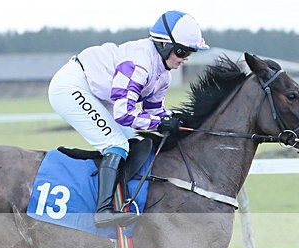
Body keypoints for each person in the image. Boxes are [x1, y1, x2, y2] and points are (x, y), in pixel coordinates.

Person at [48, 10, 208, 227]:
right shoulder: (139, 64)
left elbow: (154, 112)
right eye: (182, 51)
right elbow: (124, 114)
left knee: (134, 143)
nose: (185, 58)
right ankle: (103, 211)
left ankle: (122, 200)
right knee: (116, 144)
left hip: (98, 93)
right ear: (164, 45)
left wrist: (178, 123)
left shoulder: (163, 76)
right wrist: (160, 123)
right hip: (72, 86)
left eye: (190, 52)